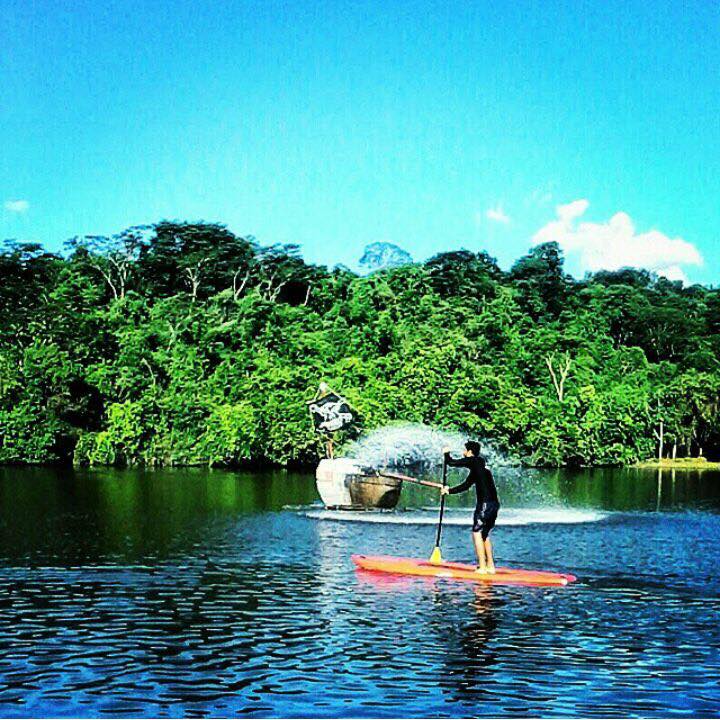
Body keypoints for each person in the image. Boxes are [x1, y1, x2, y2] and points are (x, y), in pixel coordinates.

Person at [441, 441, 500, 574]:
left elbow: (451, 463)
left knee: (476, 533)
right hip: (494, 504)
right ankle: (490, 566)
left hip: (484, 505)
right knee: (484, 534)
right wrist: (449, 491)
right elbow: (466, 485)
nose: (463, 452)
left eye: (464, 450)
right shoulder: (481, 468)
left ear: (469, 452)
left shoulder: (473, 461)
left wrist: (446, 453)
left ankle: (482, 568)